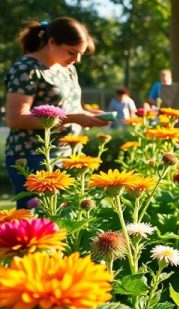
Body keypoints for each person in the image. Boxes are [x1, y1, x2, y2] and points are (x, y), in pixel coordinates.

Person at [5, 17, 110, 209]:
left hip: (65, 156)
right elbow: (15, 118)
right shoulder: (27, 68)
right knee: (36, 223)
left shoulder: (67, 69)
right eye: (72, 52)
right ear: (52, 42)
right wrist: (74, 118)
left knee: (65, 219)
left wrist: (89, 114)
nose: (77, 60)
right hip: (31, 157)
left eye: (81, 54)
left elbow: (70, 108)